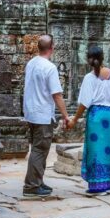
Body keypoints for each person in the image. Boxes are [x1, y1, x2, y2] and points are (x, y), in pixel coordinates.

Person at [67, 46, 110, 196]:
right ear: (103, 57)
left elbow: (84, 103)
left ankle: (97, 185)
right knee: (106, 150)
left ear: (89, 60)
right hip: (109, 115)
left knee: (95, 150)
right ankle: (105, 183)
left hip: (96, 116)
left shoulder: (89, 78)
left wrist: (75, 120)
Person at [22, 35, 70, 197]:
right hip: (42, 113)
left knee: (38, 148)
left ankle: (37, 180)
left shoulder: (31, 64)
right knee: (40, 149)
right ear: (52, 48)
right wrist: (65, 115)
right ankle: (31, 186)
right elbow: (57, 95)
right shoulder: (49, 68)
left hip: (31, 111)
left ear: (38, 47)